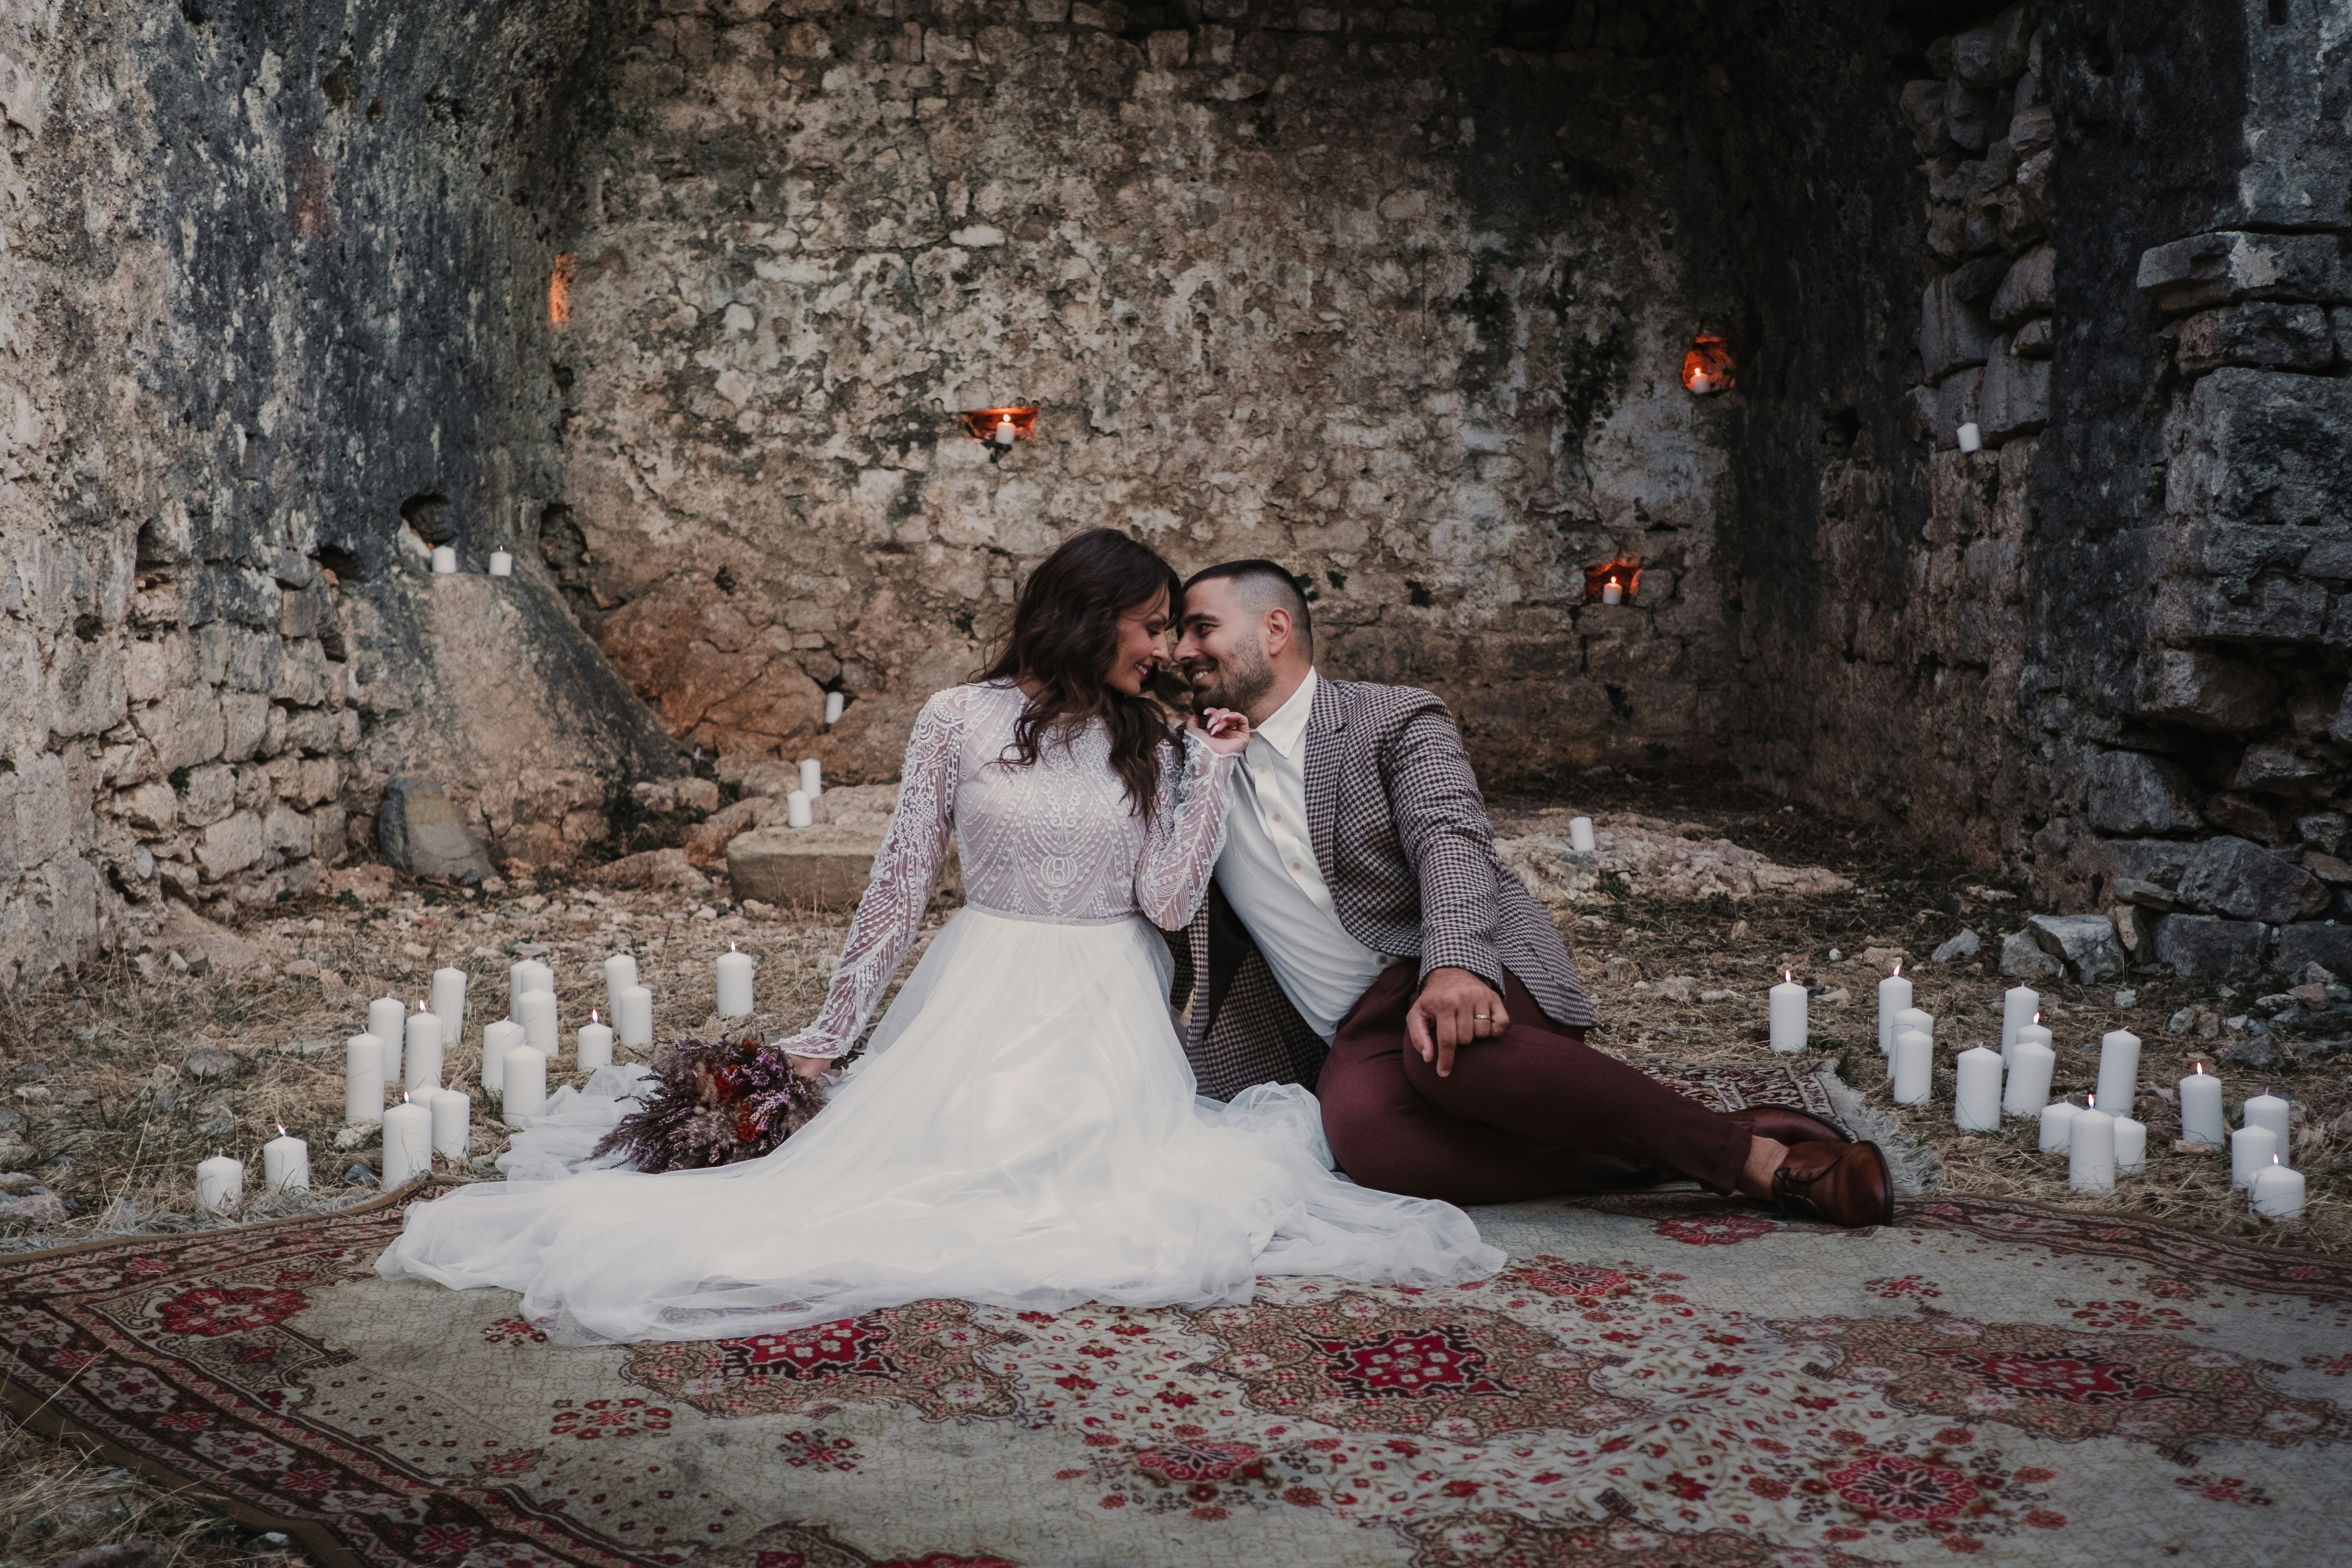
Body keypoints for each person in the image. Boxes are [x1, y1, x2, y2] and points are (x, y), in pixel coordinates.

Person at [375, 530, 1501, 1343]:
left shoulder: (1160, 742)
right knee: (925, 1176)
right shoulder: (958, 720)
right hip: (984, 975)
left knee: (1085, 1193)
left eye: (1172, 631)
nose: (1165, 651)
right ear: (1088, 614)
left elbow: (1166, 903)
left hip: (1106, 991)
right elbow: (901, 883)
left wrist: (1206, 773)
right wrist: (828, 1032)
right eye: (1152, 626)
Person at [1169, 560, 1893, 1229]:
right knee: (1364, 1140)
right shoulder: (1189, 767)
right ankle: (1693, 1138)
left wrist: (1454, 964)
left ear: (1275, 629)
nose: (1180, 651)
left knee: (1447, 1054)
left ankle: (1762, 1167)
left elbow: (1450, 838)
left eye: (1201, 628)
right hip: (1357, 1032)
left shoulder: (1391, 719)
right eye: (1172, 637)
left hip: (1465, 963)